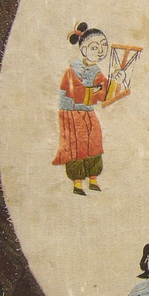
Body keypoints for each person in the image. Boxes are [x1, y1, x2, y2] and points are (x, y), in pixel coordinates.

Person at [52, 22, 122, 195]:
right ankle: (77, 182)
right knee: (77, 145)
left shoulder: (95, 70)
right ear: (83, 49)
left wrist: (115, 81)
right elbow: (76, 92)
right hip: (71, 113)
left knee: (94, 140)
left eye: (103, 46)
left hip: (87, 112)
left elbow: (104, 91)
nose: (100, 51)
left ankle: (93, 178)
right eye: (94, 47)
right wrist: (97, 90)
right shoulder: (73, 70)